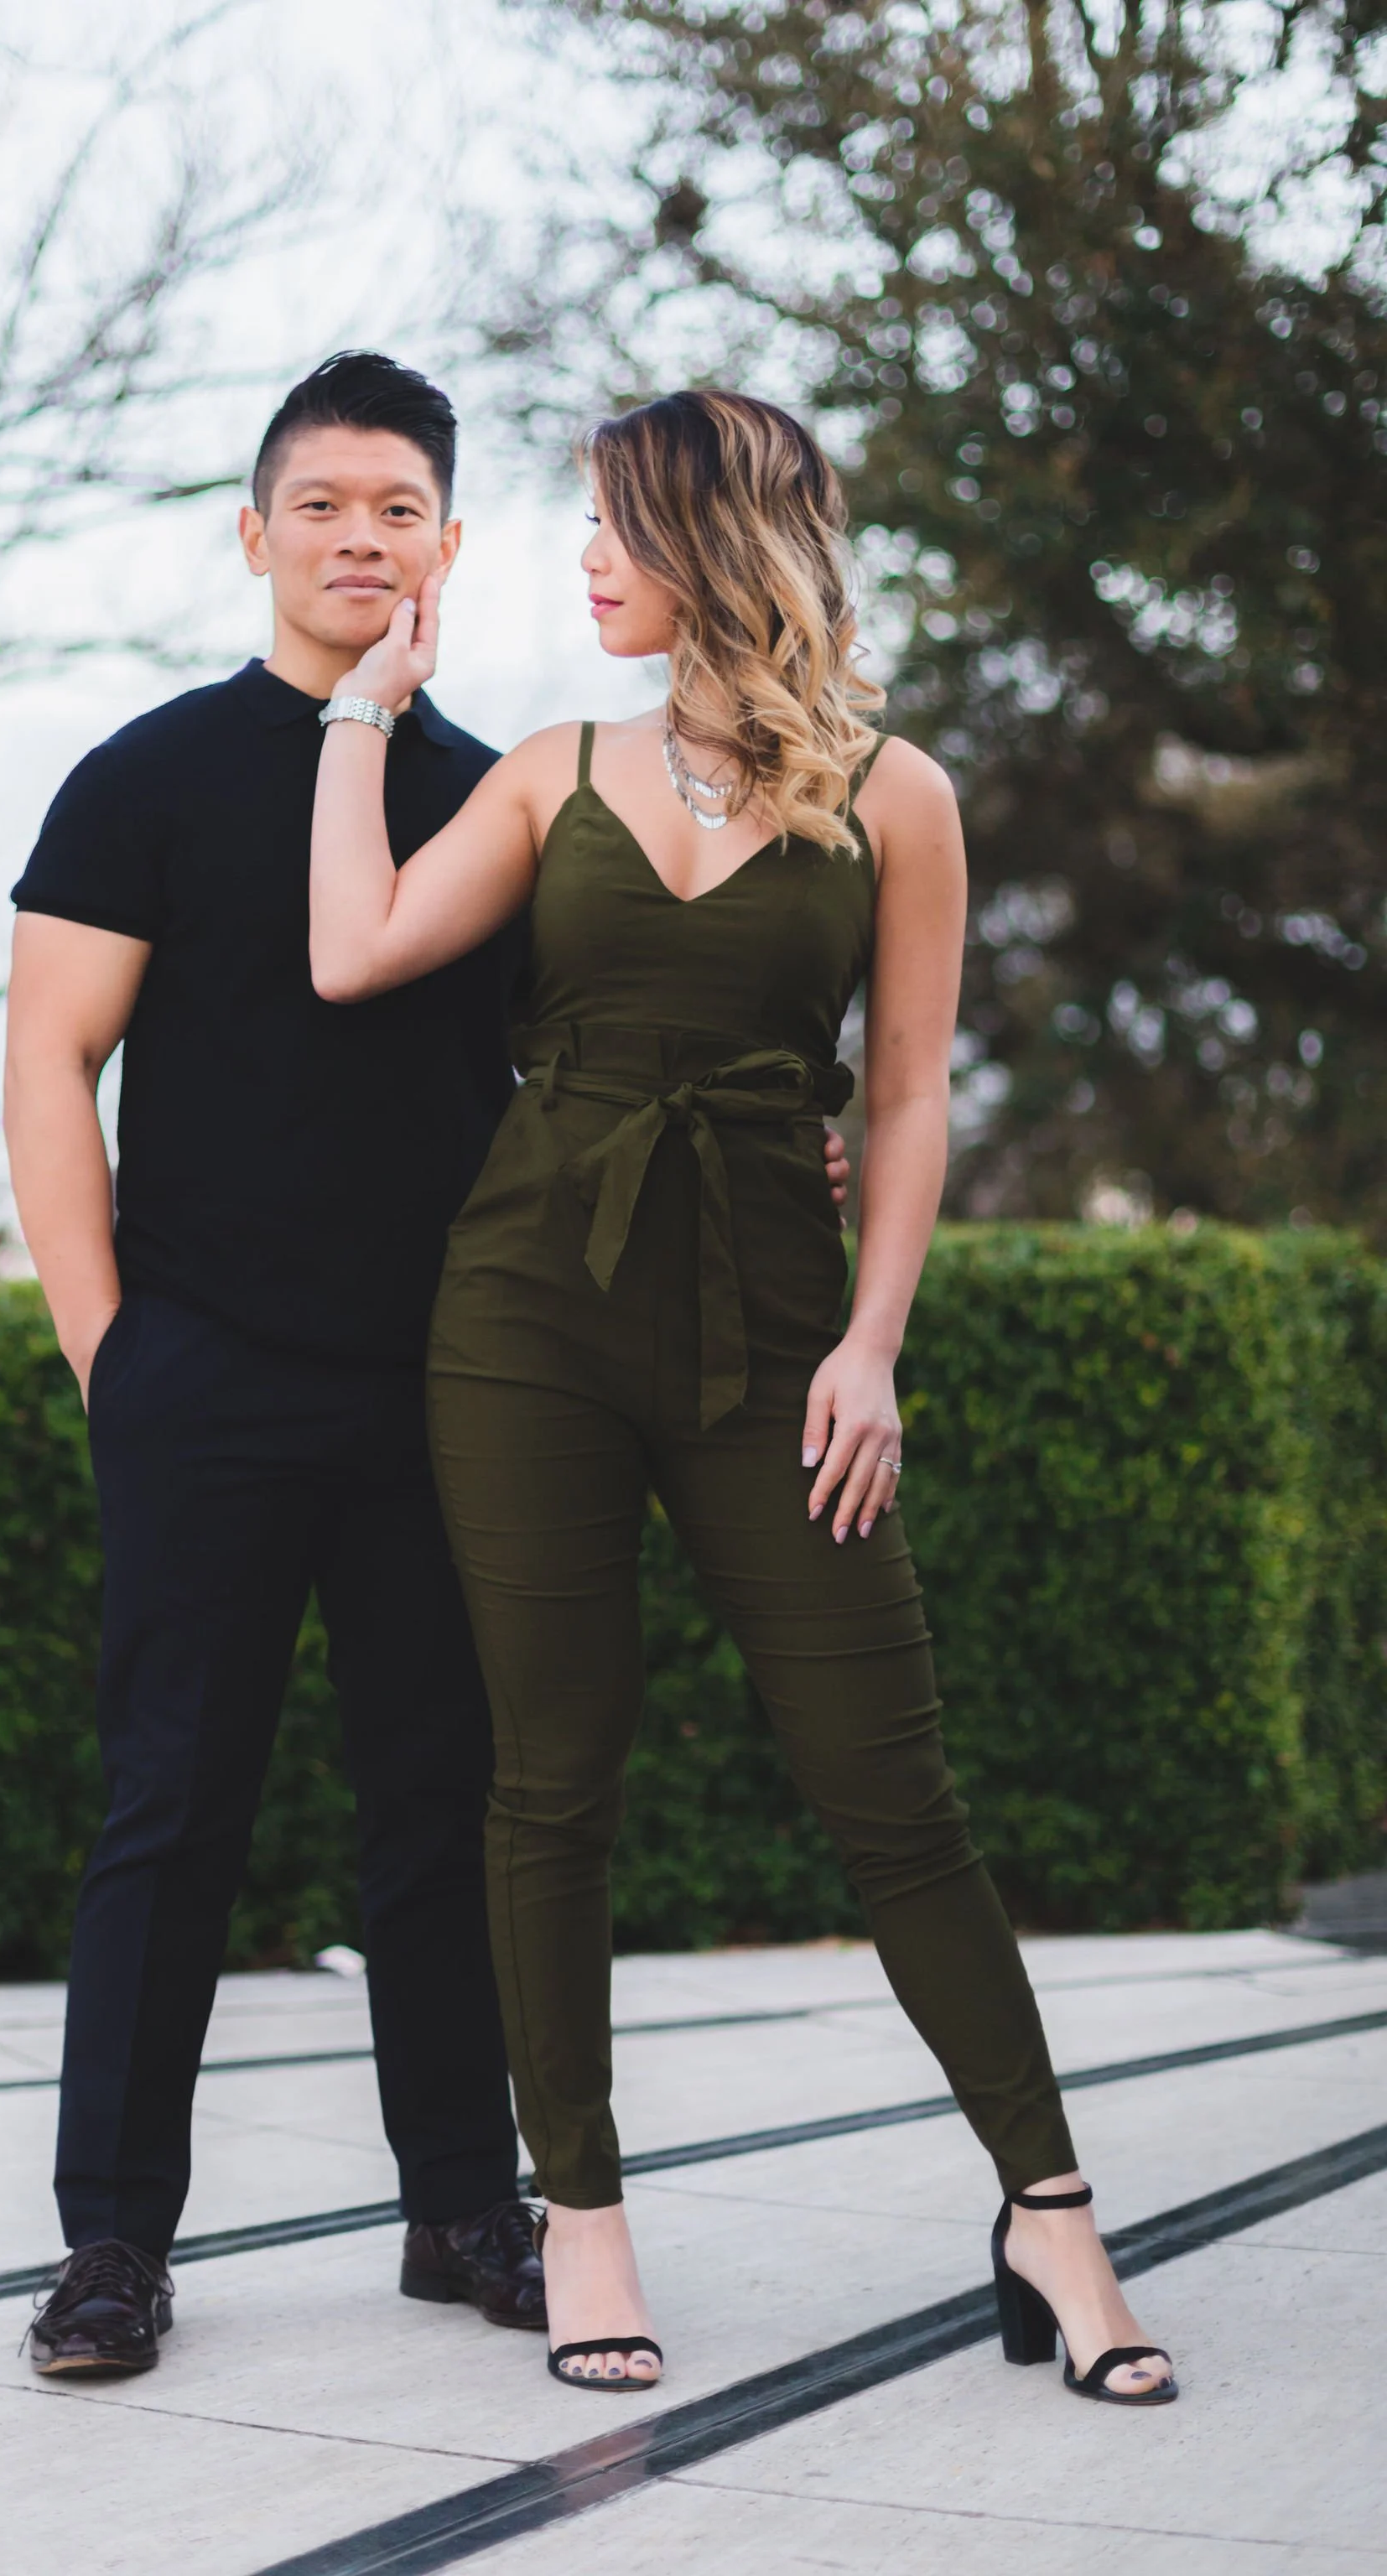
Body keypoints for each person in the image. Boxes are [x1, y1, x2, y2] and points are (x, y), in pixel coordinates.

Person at [307, 389, 1178, 2407]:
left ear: (715, 541)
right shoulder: (551, 768)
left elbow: (907, 1091)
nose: (586, 563)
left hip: (780, 1331)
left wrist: (873, 1344)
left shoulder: (896, 794)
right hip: (524, 1316)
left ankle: (1052, 2218)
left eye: (616, 528)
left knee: (895, 1789)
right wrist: (363, 711)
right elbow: (354, 951)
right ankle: (583, 2219)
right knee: (554, 1779)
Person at [2, 348, 860, 2375]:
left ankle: (464, 2207)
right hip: (202, 1375)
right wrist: (113, 1357)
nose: (360, 539)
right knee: (170, 1808)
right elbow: (50, 1064)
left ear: (449, 545)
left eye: (399, 508)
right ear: (255, 535)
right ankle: (112, 2245)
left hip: (456, 1382)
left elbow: (615, 1062)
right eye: (321, 505)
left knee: (453, 1803)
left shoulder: (515, 794)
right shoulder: (142, 777)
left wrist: (780, 1138)